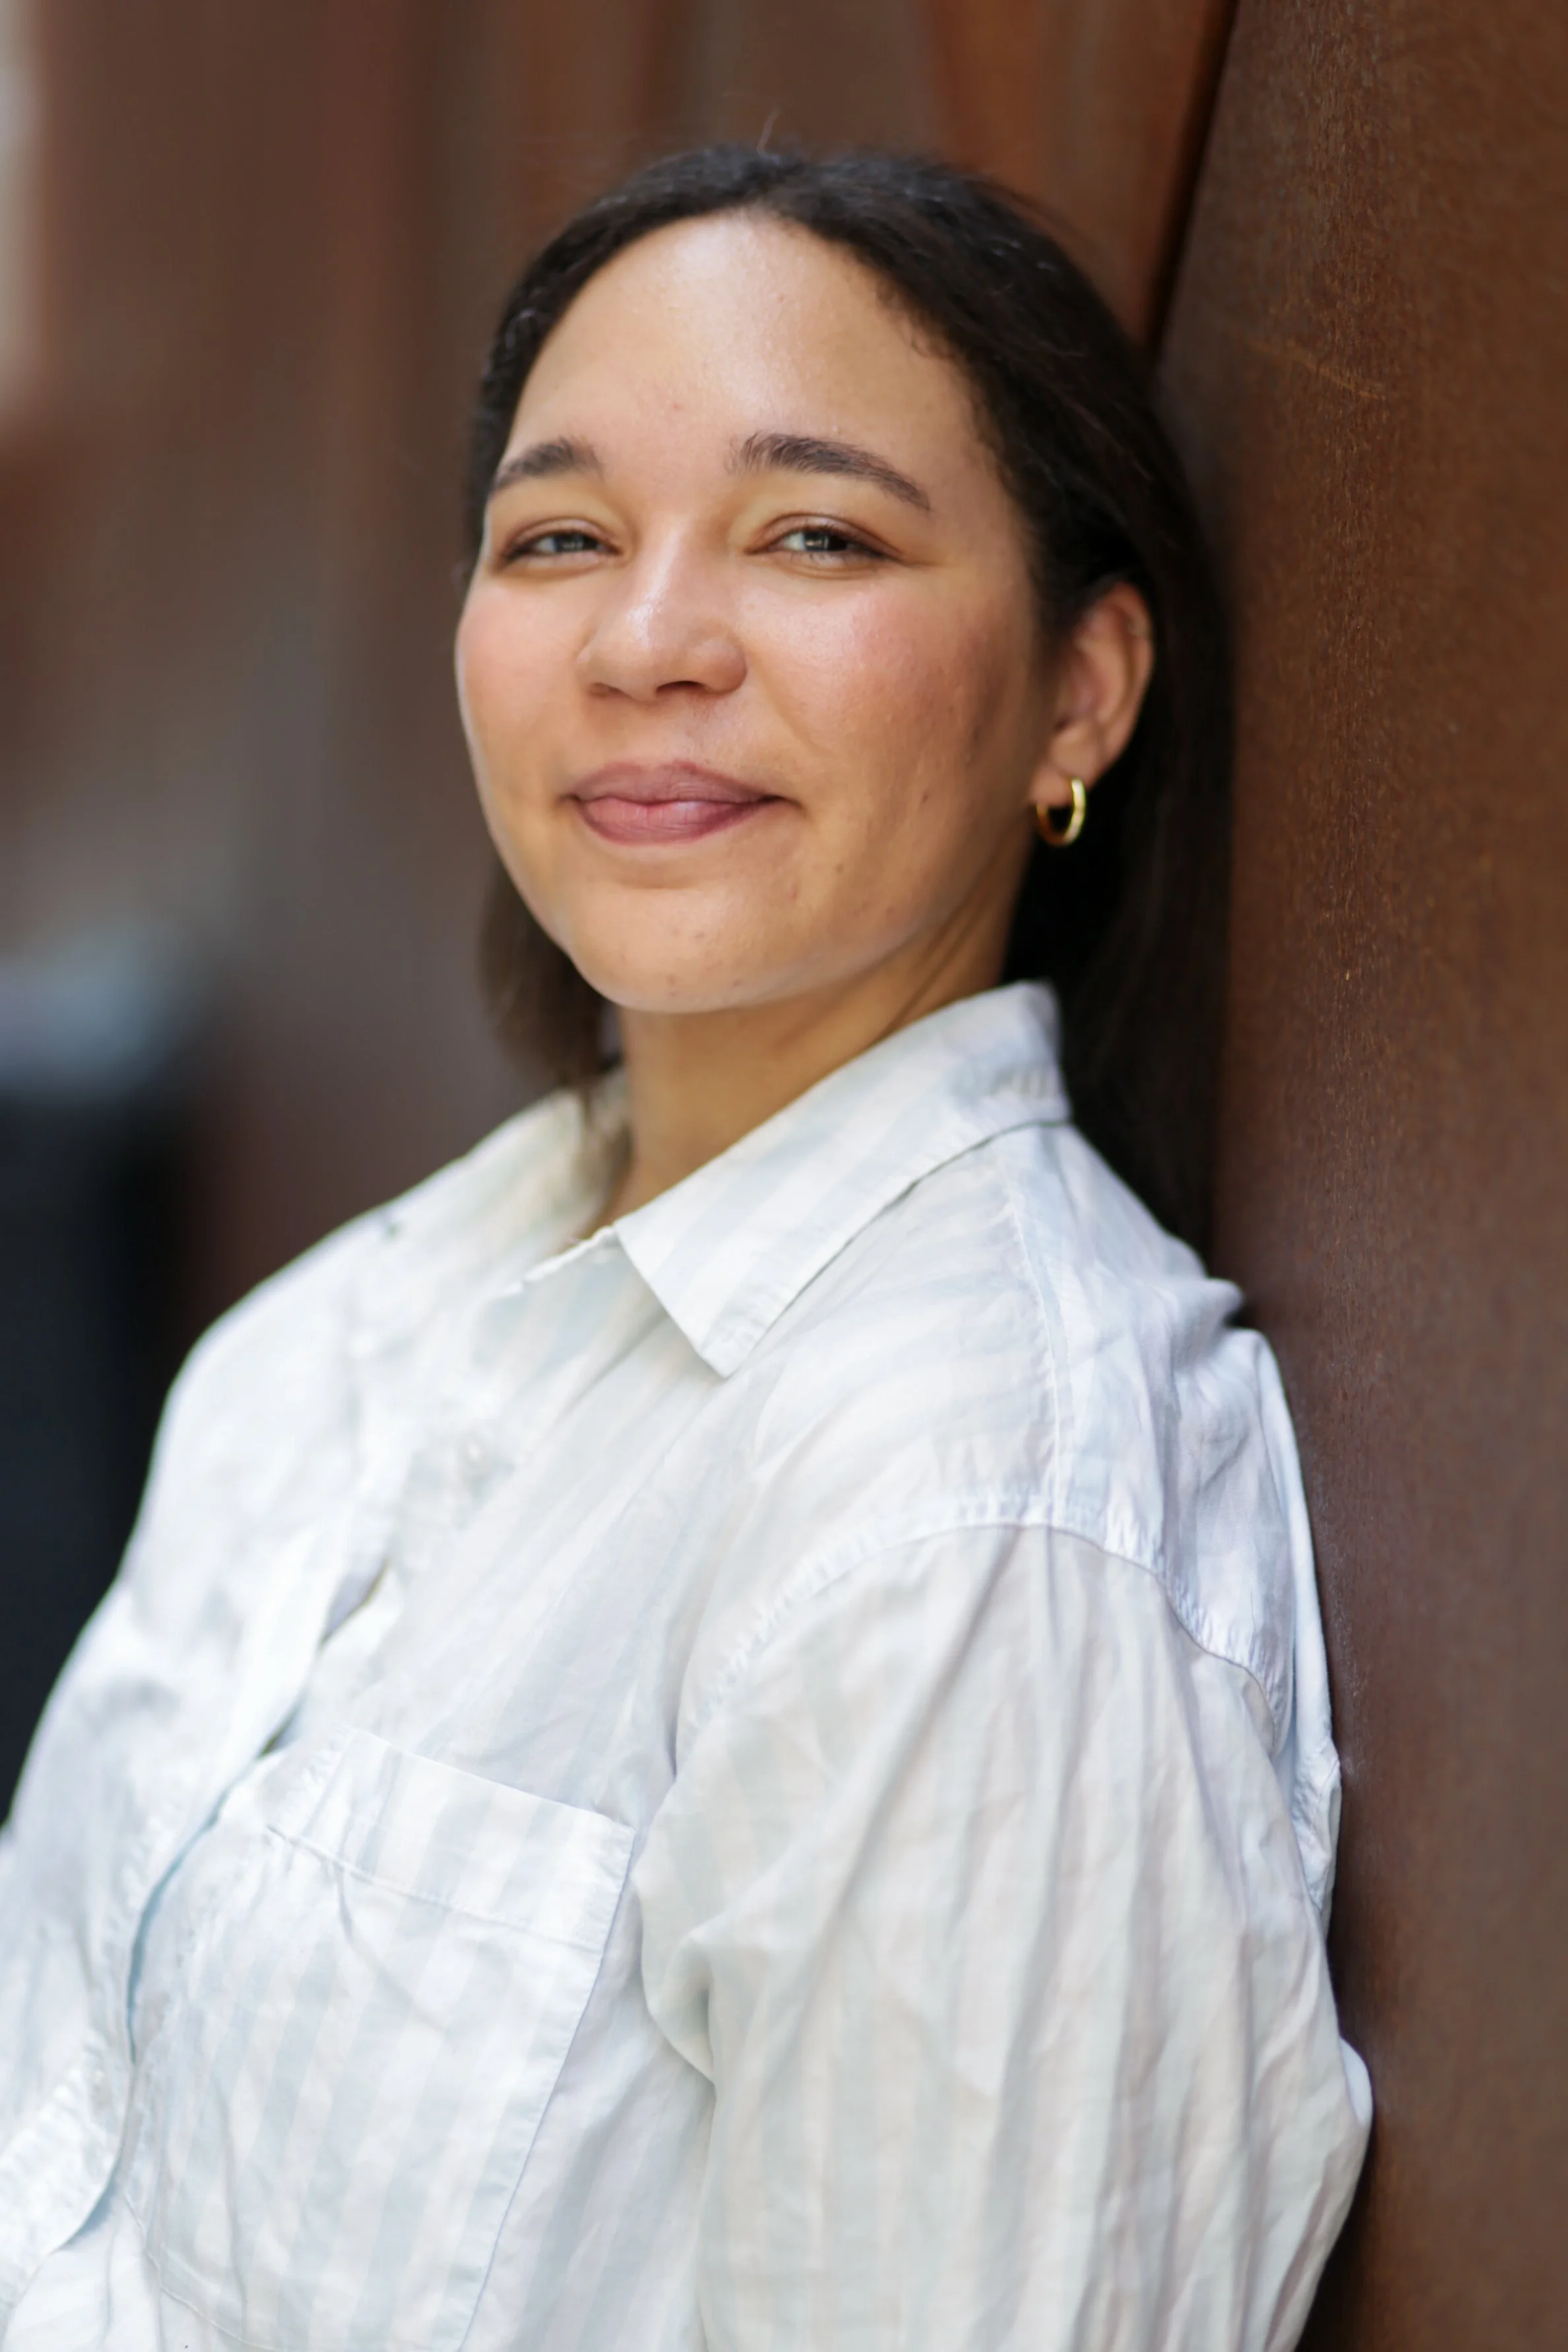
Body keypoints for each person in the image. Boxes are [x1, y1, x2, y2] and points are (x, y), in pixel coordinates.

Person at [0, 147, 1370, 2351]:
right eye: (556, 537)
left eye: (815, 532)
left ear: (1080, 695)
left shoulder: (969, 1523)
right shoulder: (359, 1320)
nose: (646, 642)